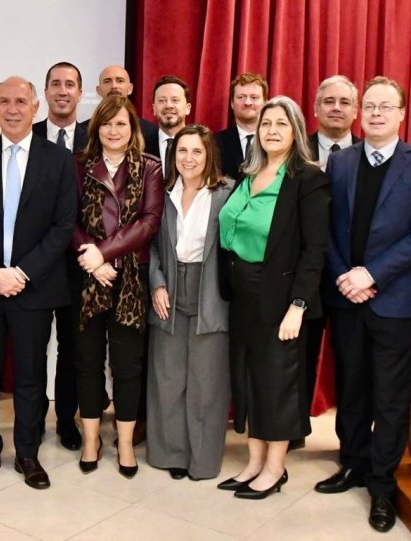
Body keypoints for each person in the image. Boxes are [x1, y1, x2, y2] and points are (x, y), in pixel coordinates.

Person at [316, 76, 411, 533]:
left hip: (395, 298)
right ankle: (351, 461)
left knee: (389, 396)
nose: (374, 113)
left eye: (384, 107)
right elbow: (327, 229)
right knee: (351, 385)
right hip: (347, 296)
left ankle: (382, 485)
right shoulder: (340, 162)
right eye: (368, 106)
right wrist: (345, 277)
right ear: (358, 112)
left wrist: (371, 274)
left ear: (401, 114)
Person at [0, 76, 76, 490]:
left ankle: (27, 453)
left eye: (20, 101)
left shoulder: (58, 160)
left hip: (35, 289)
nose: (12, 109)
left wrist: (22, 273)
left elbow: (63, 227)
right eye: (4, 101)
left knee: (30, 376)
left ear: (35, 106)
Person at [216, 96, 329, 499]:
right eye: (266, 124)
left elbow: (315, 250)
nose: (272, 131)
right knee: (248, 378)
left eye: (281, 124)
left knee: (276, 384)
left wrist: (298, 306)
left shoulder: (307, 179)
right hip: (241, 293)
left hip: (279, 295)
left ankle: (275, 469)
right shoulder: (248, 175)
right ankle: (253, 462)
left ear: (295, 130)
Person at [72, 95, 163, 478]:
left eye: (122, 123)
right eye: (107, 123)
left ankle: (125, 442)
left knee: (127, 366)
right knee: (88, 363)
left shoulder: (150, 168)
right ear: (97, 128)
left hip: (129, 278)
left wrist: (104, 254)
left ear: (133, 129)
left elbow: (149, 221)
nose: (114, 130)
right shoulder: (78, 165)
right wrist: (90, 258)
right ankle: (92, 438)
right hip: (86, 277)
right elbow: (66, 218)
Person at [146, 124, 231, 481]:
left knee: (206, 381)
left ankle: (203, 460)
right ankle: (171, 456)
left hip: (209, 289)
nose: (189, 158)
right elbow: (147, 242)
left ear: (208, 154)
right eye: (182, 151)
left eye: (197, 151)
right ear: (173, 154)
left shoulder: (227, 192)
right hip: (169, 288)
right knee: (168, 378)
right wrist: (156, 283)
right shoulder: (160, 192)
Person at [293, 75, 361, 452]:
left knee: (352, 362)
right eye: (329, 101)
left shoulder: (368, 155)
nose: (336, 108)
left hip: (354, 279)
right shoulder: (294, 151)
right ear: (315, 109)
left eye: (344, 102)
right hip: (306, 276)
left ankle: (350, 446)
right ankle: (292, 431)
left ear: (355, 111)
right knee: (299, 358)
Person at [31, 61, 87, 452]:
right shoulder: (26, 135)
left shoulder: (96, 138)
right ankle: (32, 421)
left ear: (81, 93)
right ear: (45, 92)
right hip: (35, 263)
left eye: (70, 84)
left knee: (72, 348)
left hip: (80, 263)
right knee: (32, 346)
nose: (62, 90)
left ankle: (67, 420)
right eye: (55, 84)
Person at [214, 73, 268, 182]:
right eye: (241, 97)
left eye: (254, 97)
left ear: (265, 103)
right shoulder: (214, 142)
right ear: (232, 103)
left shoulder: (276, 141)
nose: (247, 102)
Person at [142, 75, 192, 176]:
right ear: (154, 109)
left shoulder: (203, 146)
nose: (168, 105)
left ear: (188, 108)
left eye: (175, 100)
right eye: (162, 101)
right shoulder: (141, 147)